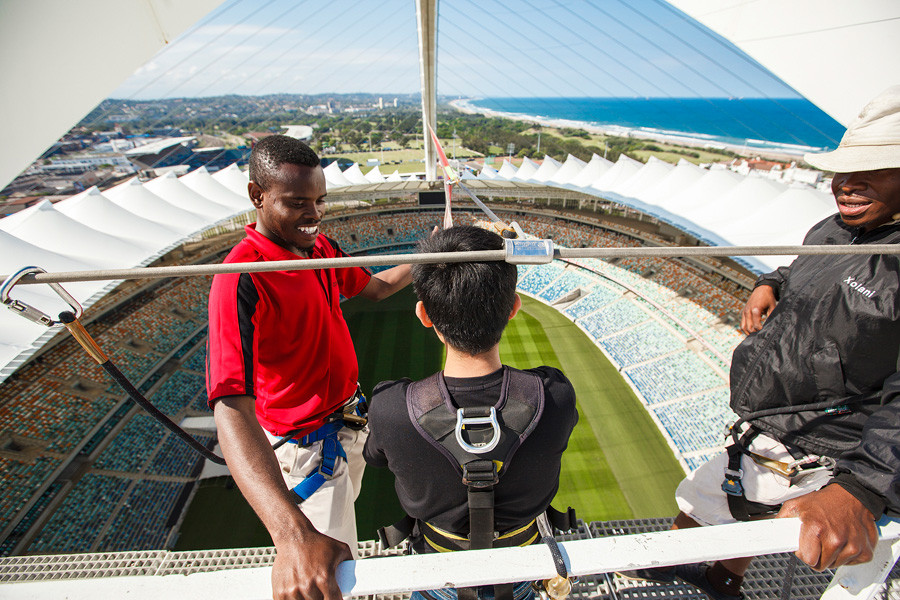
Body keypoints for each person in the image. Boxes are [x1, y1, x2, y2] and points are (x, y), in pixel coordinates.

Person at [622, 86, 900, 599]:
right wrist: (768, 283)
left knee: (725, 504)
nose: (846, 184)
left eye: (873, 169)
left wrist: (865, 487)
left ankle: (704, 576)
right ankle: (708, 573)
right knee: (721, 502)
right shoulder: (835, 229)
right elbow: (800, 270)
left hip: (826, 439)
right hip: (776, 416)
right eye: (843, 169)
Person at [206, 135, 415, 600]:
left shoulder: (319, 247)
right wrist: (290, 533)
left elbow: (374, 289)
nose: (314, 214)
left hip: (348, 427)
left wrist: (430, 256)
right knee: (329, 579)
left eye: (320, 200)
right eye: (297, 203)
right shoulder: (240, 279)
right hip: (305, 452)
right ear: (256, 196)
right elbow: (230, 407)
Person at [363, 225, 579, 600]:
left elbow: (374, 456)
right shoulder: (554, 396)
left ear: (424, 315)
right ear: (513, 308)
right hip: (523, 576)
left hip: (437, 579)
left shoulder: (391, 408)